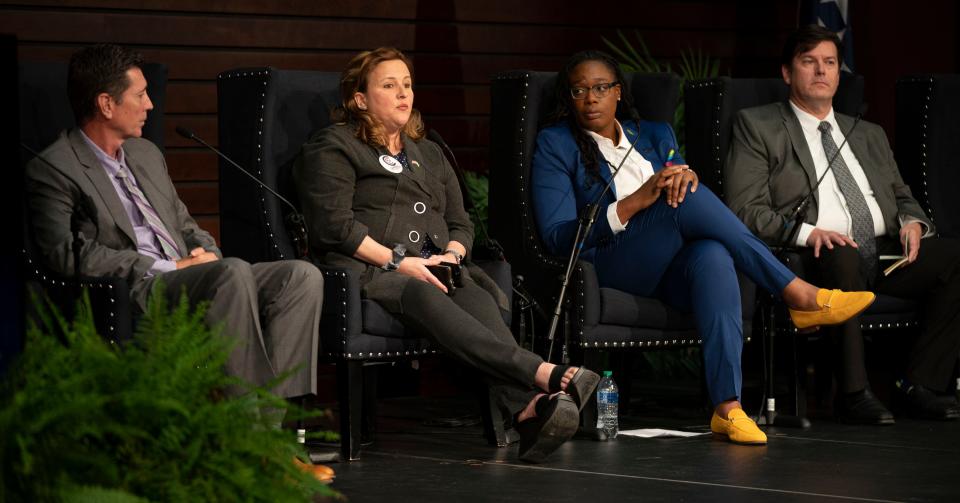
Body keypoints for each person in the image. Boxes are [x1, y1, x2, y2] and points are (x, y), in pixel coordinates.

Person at [531, 50, 876, 445]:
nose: (590, 98)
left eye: (600, 88)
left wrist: (684, 179)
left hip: (668, 261)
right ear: (568, 97)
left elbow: (680, 192)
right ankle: (797, 292)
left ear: (618, 93)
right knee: (689, 199)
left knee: (711, 252)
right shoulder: (556, 144)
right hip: (608, 261)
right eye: (578, 90)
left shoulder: (656, 134)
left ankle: (727, 409)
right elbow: (559, 237)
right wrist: (636, 202)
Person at [23, 44, 333, 481]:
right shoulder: (55, 168)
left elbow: (185, 224)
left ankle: (267, 438)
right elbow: (65, 254)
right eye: (140, 95)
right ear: (106, 103)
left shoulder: (147, 154)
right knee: (231, 274)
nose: (151, 104)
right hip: (143, 287)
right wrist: (167, 269)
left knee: (299, 276)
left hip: (198, 274)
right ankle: (247, 446)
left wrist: (207, 252)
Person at [293, 47, 599, 463]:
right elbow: (334, 226)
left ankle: (527, 409)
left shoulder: (428, 152)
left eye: (407, 84)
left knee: (477, 297)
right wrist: (400, 262)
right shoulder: (334, 146)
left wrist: (454, 256)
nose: (403, 94)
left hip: (440, 268)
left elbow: (461, 223)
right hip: (373, 270)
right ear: (359, 99)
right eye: (388, 85)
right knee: (422, 293)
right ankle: (542, 374)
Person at [726, 25, 960, 423]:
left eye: (829, 63)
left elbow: (903, 195)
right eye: (809, 62)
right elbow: (744, 208)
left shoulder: (867, 133)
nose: (821, 71)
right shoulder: (758, 126)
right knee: (841, 255)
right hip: (814, 253)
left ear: (839, 73)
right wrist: (808, 232)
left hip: (884, 250)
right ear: (787, 73)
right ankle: (853, 393)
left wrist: (913, 222)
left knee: (956, 257)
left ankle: (917, 384)